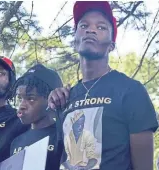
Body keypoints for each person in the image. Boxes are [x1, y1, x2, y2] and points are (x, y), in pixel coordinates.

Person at [47, 1, 159, 170]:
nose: (91, 30)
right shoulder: (65, 97)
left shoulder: (131, 91)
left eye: (101, 27)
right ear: (76, 41)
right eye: (83, 25)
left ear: (112, 45)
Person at [9, 64, 64, 170]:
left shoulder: (62, 136)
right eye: (20, 98)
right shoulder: (16, 142)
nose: (22, 105)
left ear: (51, 99)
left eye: (31, 99)